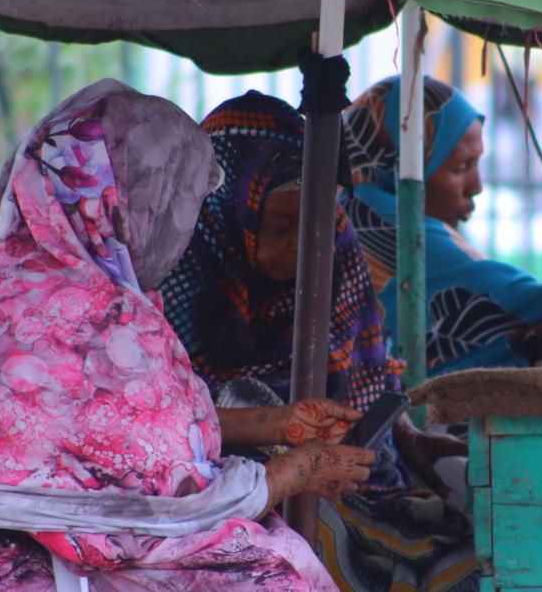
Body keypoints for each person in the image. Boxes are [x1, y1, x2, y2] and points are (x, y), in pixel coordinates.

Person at [0, 80, 375, 591]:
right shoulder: (101, 319)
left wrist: (278, 423)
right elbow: (174, 507)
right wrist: (294, 472)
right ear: (137, 206)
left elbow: (76, 442)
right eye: (176, 206)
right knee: (268, 567)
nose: (180, 231)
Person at [160, 92, 479, 592]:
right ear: (227, 213)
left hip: (354, 481)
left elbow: (368, 379)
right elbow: (168, 430)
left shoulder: (334, 251)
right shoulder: (175, 273)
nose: (305, 245)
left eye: (315, 222)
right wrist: (286, 447)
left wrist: (409, 437)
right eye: (282, 226)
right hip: (234, 498)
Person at [342, 75, 542, 375]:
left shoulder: (339, 204)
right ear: (405, 166)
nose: (477, 186)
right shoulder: (385, 222)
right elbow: (537, 306)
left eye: (477, 164)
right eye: (461, 168)